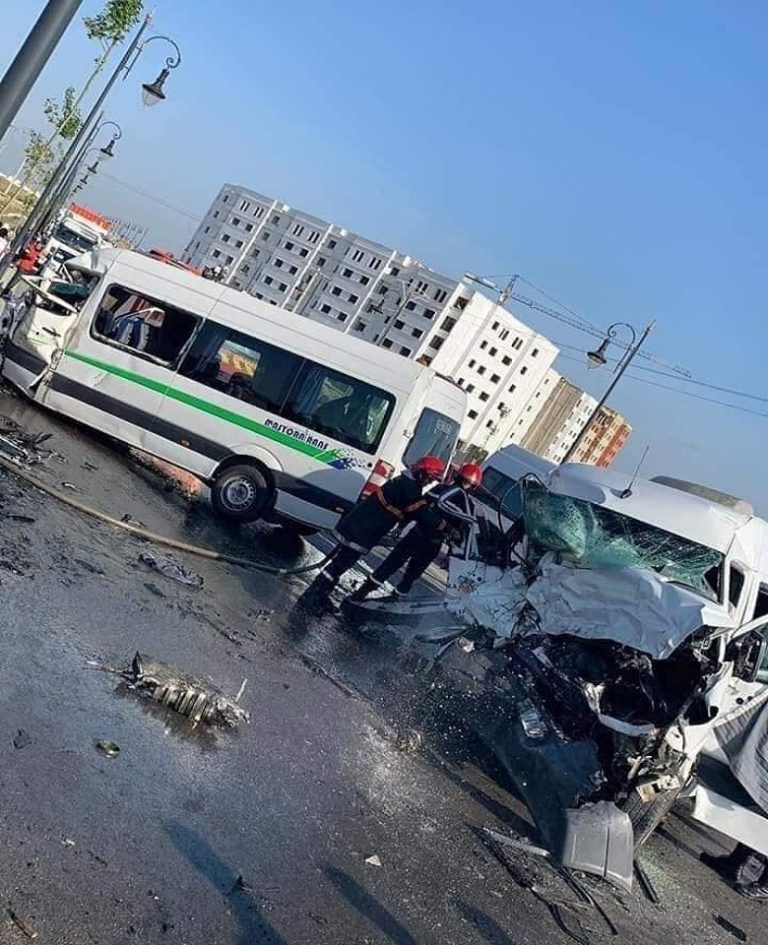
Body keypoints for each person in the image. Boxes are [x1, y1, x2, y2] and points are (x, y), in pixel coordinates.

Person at [311, 455, 446, 595]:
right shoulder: (410, 487)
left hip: (363, 524)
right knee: (343, 561)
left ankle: (320, 591)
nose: (430, 482)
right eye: (430, 478)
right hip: (364, 528)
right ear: (421, 472)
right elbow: (418, 511)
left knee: (343, 560)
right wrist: (440, 524)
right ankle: (316, 595)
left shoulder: (406, 482)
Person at [351, 462, 484, 600]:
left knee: (411, 575)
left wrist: (451, 553)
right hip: (418, 535)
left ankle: (394, 599)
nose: (463, 485)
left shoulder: (464, 504)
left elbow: (460, 532)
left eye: (466, 483)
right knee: (390, 565)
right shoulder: (442, 491)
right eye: (463, 481)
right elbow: (416, 507)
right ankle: (361, 593)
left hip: (431, 542)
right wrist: (402, 525)